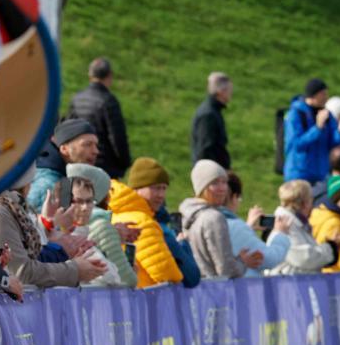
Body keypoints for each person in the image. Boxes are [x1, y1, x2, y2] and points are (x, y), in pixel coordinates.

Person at [0, 166, 107, 287]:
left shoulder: (14, 208)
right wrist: (73, 268)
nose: (84, 208)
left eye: (89, 201)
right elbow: (20, 273)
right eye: (77, 201)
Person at [110, 157, 186, 287]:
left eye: (164, 188)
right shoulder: (142, 221)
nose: (161, 195)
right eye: (155, 188)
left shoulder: (116, 214)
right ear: (137, 188)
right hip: (144, 300)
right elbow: (166, 272)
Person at [180, 160, 251, 278]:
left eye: (224, 182)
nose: (222, 188)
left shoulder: (189, 214)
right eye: (215, 183)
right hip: (216, 291)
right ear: (202, 187)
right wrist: (243, 262)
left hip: (199, 290)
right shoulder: (214, 218)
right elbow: (225, 270)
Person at [67, 57, 131, 178]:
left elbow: (69, 129)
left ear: (90, 75)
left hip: (80, 163)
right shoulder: (108, 101)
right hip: (105, 166)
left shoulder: (77, 99)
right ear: (110, 75)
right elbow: (117, 136)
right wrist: (125, 162)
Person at [283, 77, 340, 191]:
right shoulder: (296, 114)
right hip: (299, 173)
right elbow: (296, 144)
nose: (326, 98)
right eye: (323, 94)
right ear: (313, 95)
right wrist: (317, 128)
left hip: (321, 175)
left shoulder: (327, 115)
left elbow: (334, 145)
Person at [223, 170, 290, 275]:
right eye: (239, 198)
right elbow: (268, 258)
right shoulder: (234, 226)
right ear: (234, 197)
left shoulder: (202, 219)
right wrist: (280, 233)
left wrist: (247, 227)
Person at [267, 180, 338, 274]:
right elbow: (304, 258)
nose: (312, 205)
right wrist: (330, 248)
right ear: (304, 203)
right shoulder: (286, 224)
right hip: (287, 285)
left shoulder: (297, 223)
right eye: (311, 200)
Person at [27, 118, 99, 211]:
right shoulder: (49, 184)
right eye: (87, 144)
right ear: (64, 149)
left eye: (96, 145)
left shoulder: (65, 177)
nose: (96, 151)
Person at [191, 72, 232, 168]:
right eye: (229, 90)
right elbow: (206, 150)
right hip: (211, 174)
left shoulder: (212, 111)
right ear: (221, 91)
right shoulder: (208, 115)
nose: (231, 93)